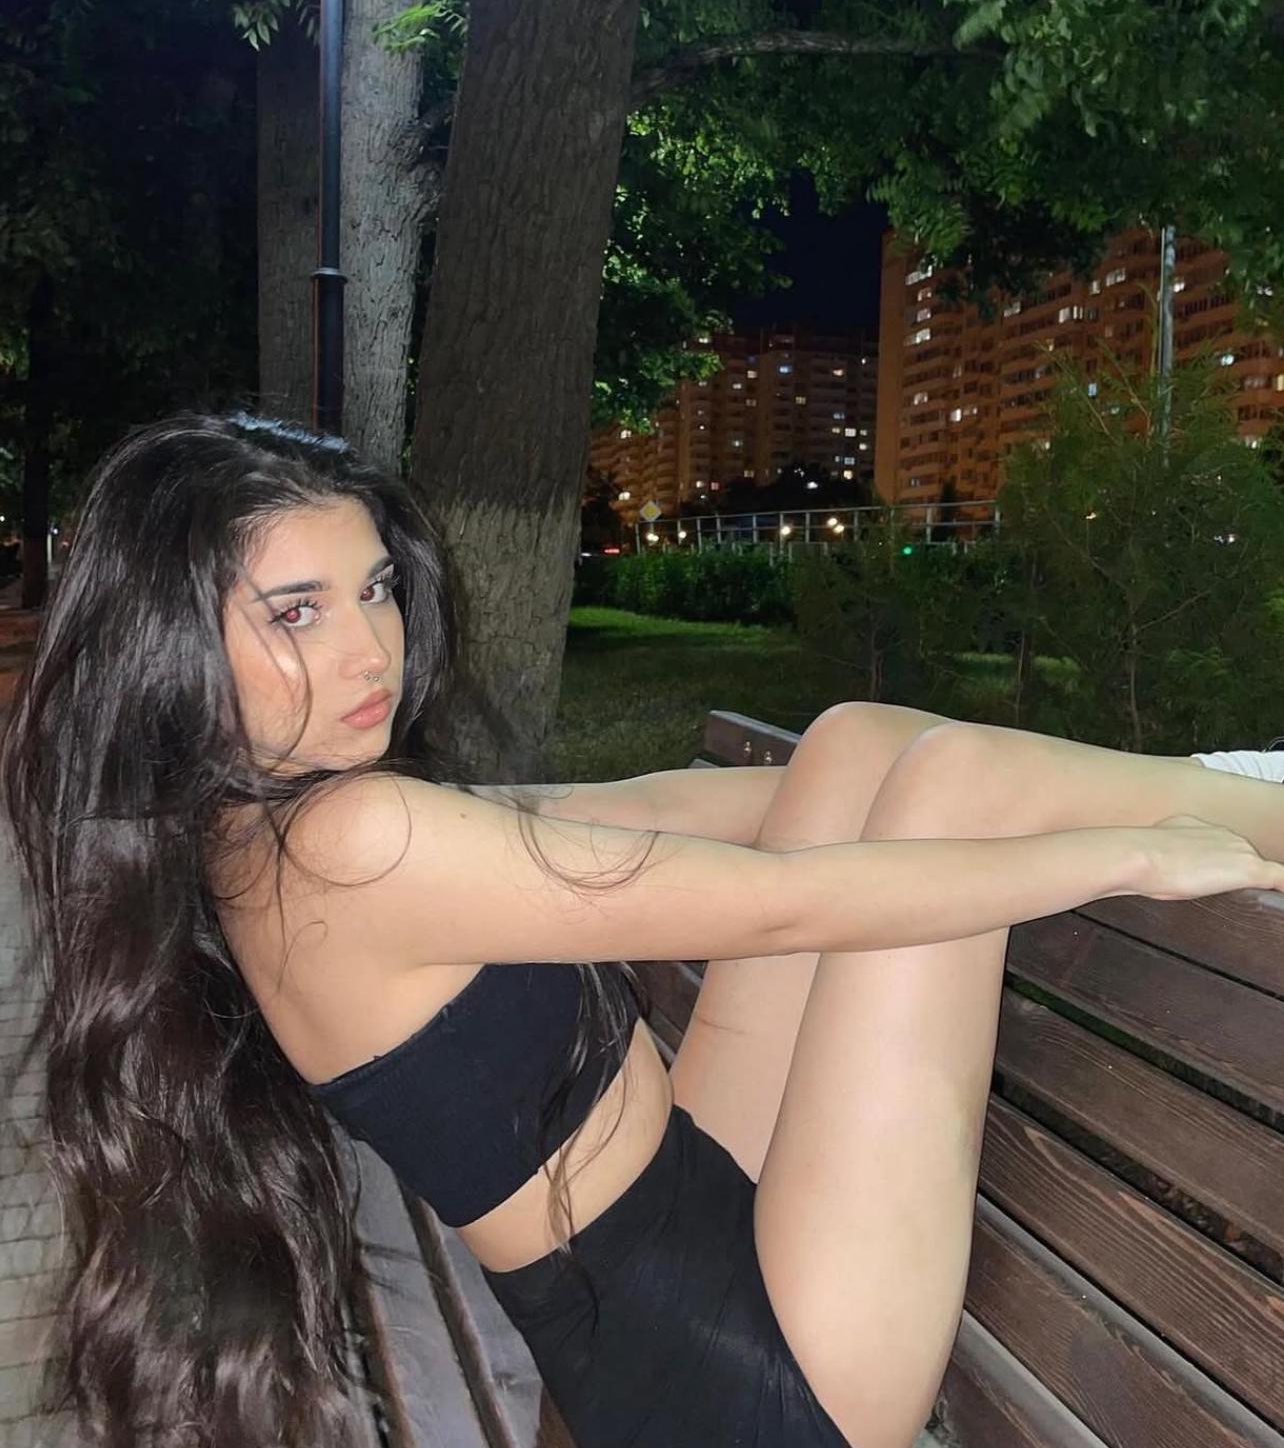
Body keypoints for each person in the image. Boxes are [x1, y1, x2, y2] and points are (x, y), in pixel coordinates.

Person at [3, 411, 1283, 1448]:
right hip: (767, 1393)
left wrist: (871, 786)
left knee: (853, 746)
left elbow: (631, 810)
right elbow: (779, 904)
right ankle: (1241, 789)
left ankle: (1214, 783)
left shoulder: (250, 825)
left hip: (671, 1283)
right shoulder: (352, 838)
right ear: (174, 642)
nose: (370, 650)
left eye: (375, 589)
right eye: (298, 611)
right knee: (959, 788)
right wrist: (1130, 852)